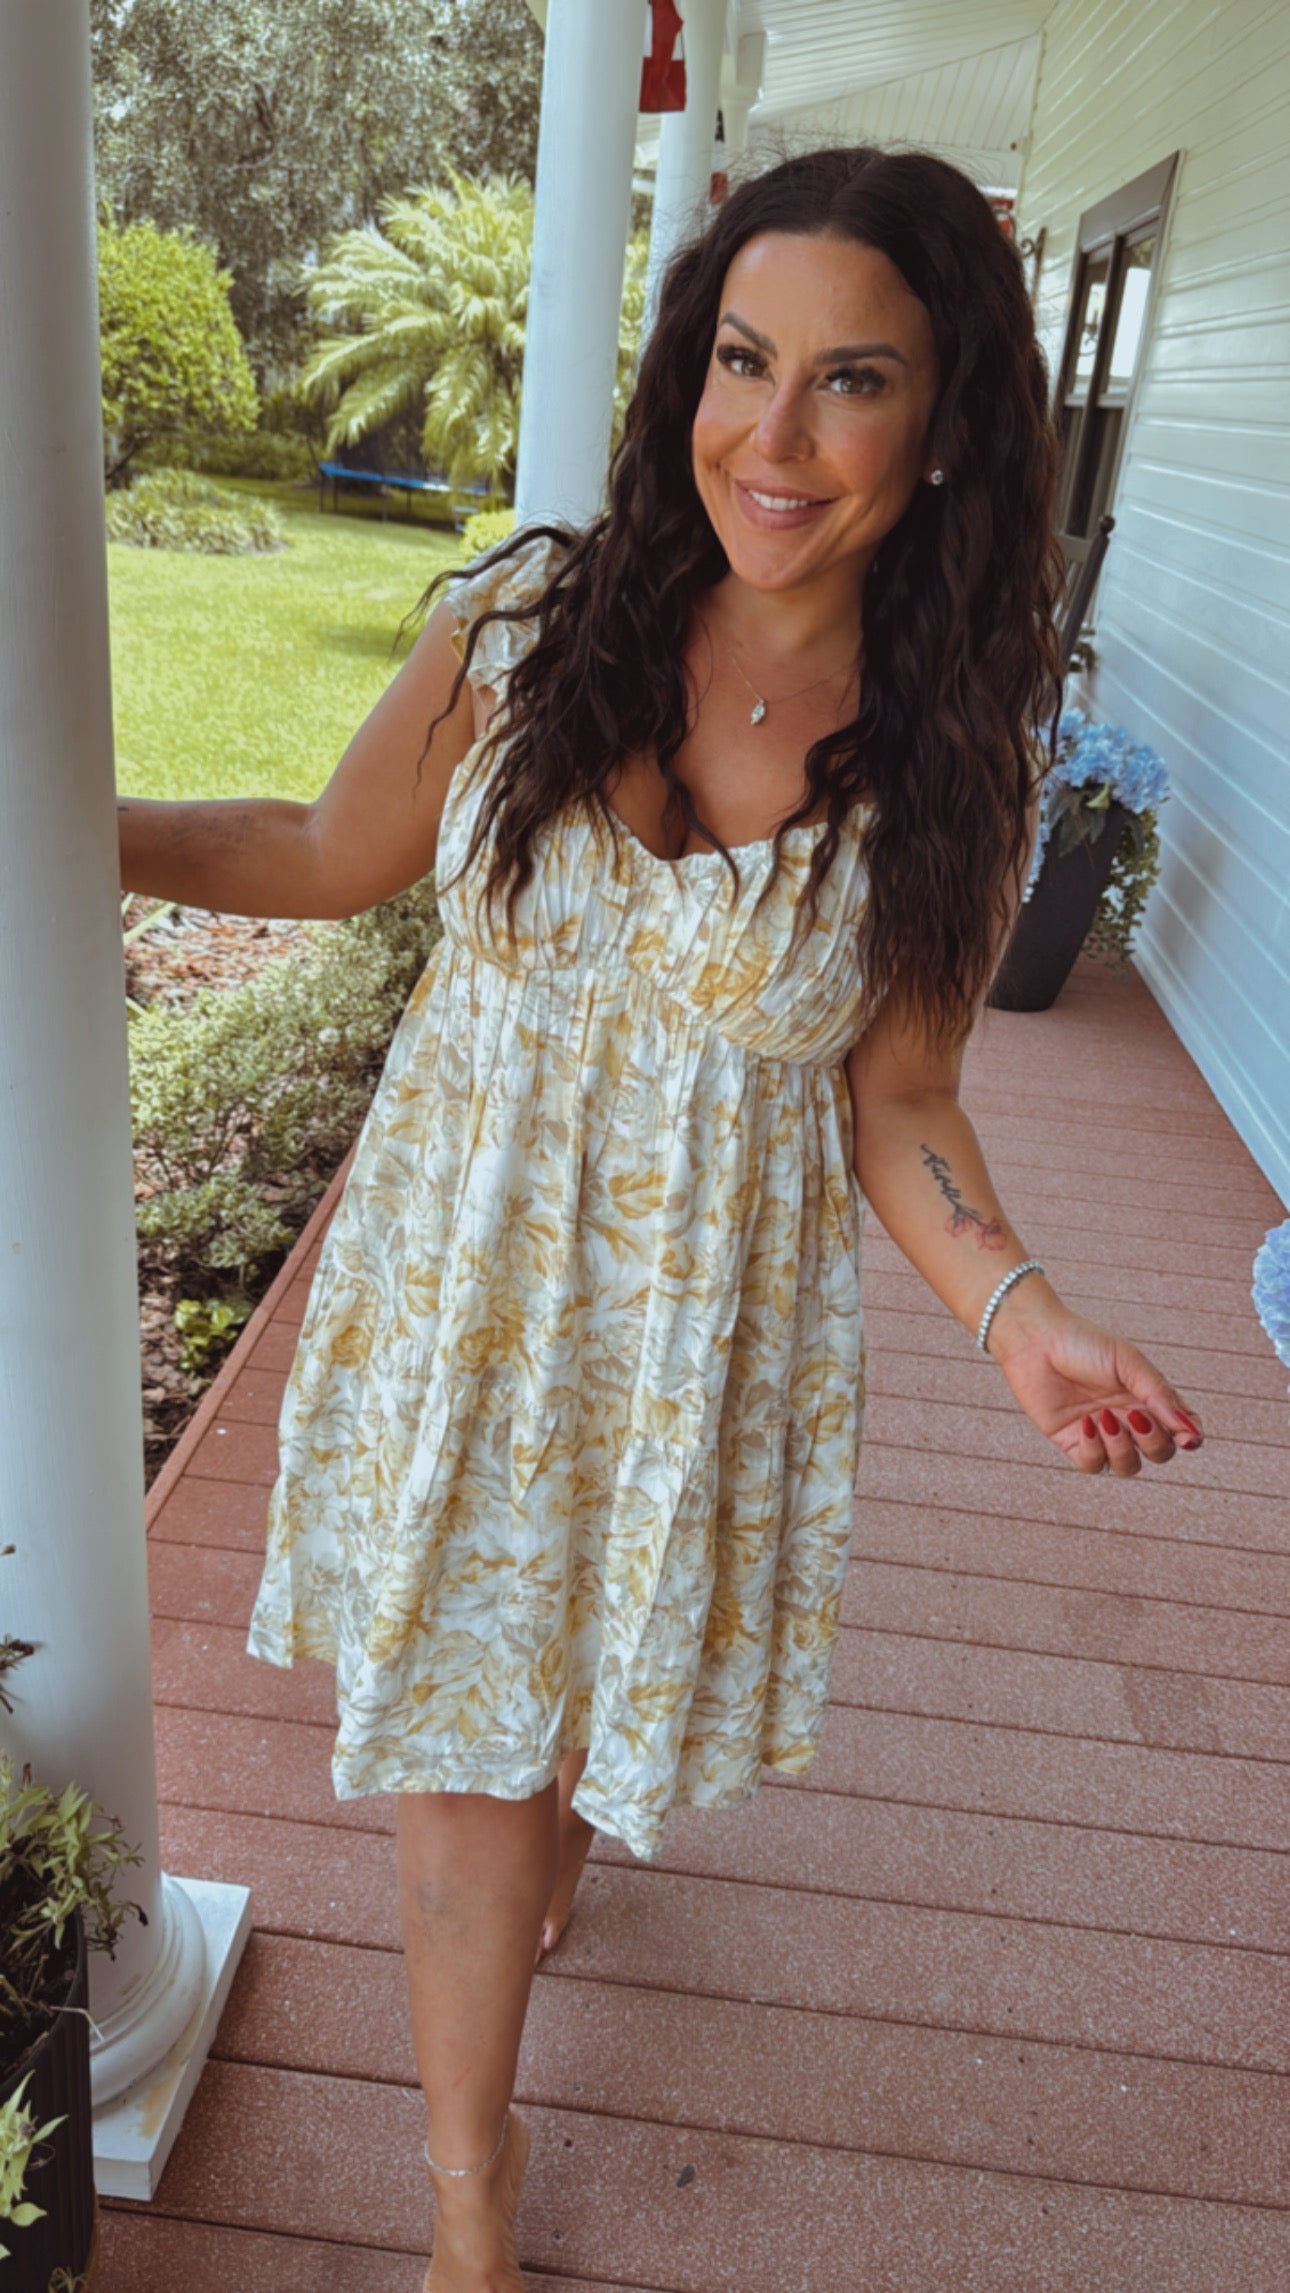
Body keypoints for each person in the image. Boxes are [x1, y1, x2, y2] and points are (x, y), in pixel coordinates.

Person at [118, 146, 1204, 2293]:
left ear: (949, 422)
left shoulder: (952, 765)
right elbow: (325, 851)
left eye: (851, 380)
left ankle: (561, 1844)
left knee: (557, 1717)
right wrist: (64, 814)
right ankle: (469, 2185)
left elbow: (903, 1100)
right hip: (466, 1299)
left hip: (695, 1338)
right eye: (740, 360)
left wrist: (1019, 1309)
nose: (771, 436)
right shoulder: (525, 627)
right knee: (463, 1755)